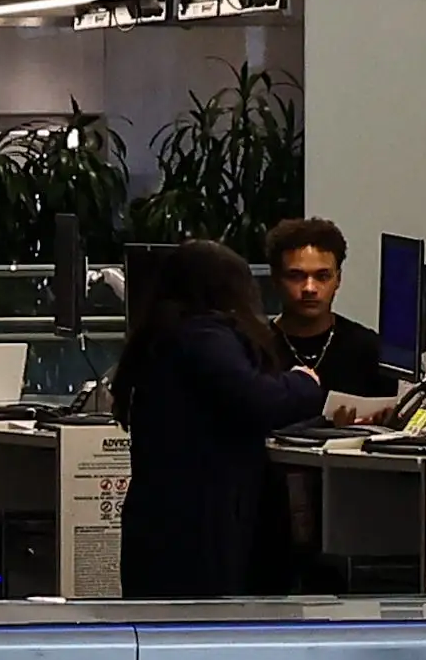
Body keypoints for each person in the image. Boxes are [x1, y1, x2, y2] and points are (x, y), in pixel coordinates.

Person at [119, 236, 390, 599]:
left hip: (165, 522)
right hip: (200, 526)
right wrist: (303, 383)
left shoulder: (160, 334)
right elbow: (258, 400)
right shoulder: (204, 336)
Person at [267, 215, 400, 398]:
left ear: (338, 279)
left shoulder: (368, 349)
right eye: (296, 276)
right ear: (276, 280)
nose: (310, 288)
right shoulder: (254, 348)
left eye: (322, 277)